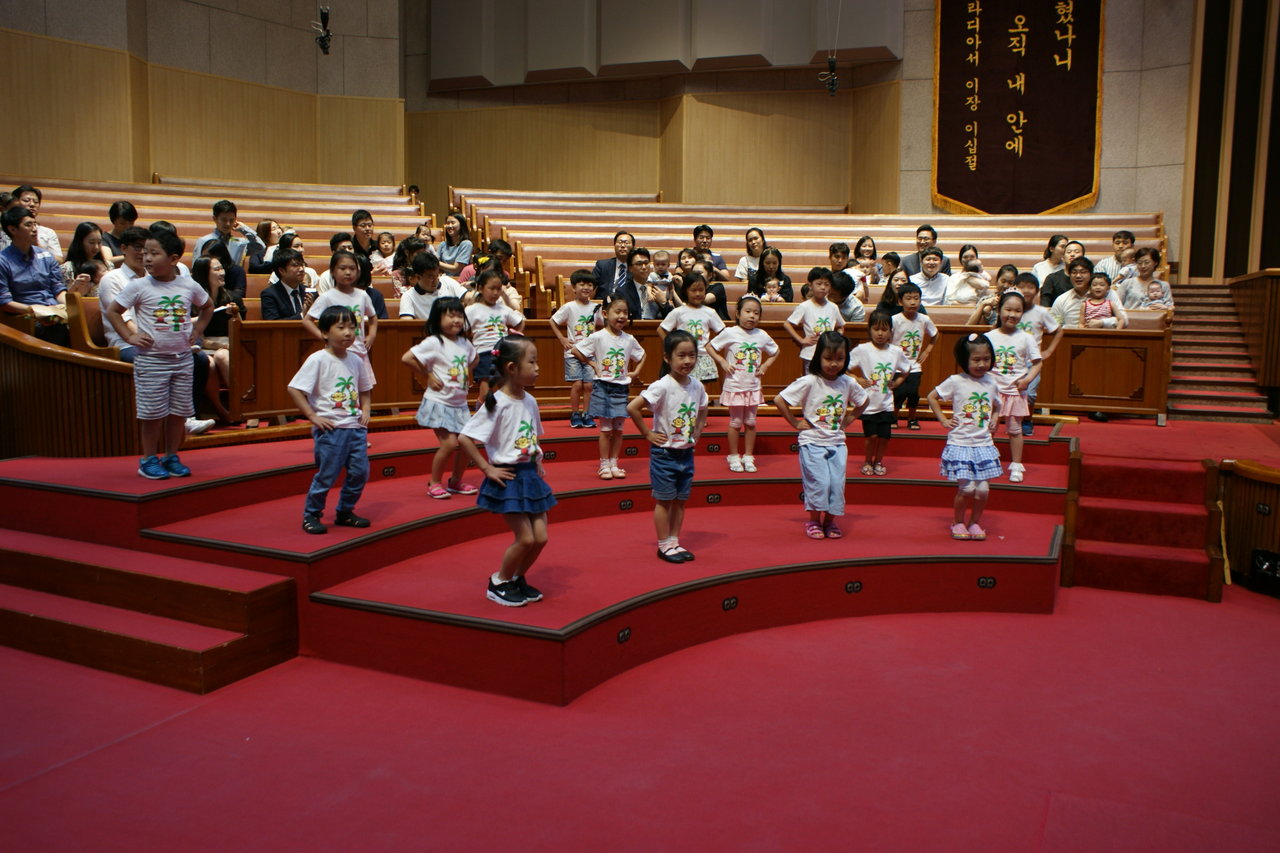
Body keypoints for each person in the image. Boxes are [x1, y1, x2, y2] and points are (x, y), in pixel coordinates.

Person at [106, 229, 214, 479]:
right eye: (145, 253)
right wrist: (129, 337)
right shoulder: (139, 286)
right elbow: (113, 311)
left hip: (182, 359)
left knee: (178, 413)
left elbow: (207, 306)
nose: (147, 258)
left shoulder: (188, 284)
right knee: (152, 414)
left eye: (154, 253)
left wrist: (198, 329)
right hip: (151, 360)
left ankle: (171, 456)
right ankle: (148, 459)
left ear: (174, 259)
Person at [458, 336, 556, 606]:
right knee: (525, 538)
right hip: (509, 478)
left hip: (530, 476)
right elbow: (465, 438)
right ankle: (499, 581)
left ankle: (516, 578)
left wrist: (538, 462)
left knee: (540, 538)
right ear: (512, 368)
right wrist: (486, 468)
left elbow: (532, 436)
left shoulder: (530, 401)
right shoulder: (496, 403)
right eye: (532, 362)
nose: (537, 367)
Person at [287, 305, 374, 535]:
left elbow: (365, 388)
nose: (348, 332)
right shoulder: (318, 359)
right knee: (327, 475)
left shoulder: (356, 360)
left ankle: (345, 511)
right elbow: (295, 388)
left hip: (355, 427)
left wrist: (366, 409)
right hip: (331, 429)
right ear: (325, 332)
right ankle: (312, 514)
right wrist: (312, 416)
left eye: (352, 328)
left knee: (360, 472)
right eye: (341, 327)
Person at [773, 331, 868, 540]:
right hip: (812, 441)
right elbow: (780, 400)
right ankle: (814, 520)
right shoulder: (810, 381)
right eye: (828, 358)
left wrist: (850, 419)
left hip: (837, 443)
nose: (834, 364)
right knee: (820, 483)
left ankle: (830, 521)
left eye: (839, 359)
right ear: (818, 357)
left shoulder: (847, 382)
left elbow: (863, 401)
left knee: (836, 485)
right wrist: (796, 422)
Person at [627, 330, 708, 563]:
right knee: (664, 500)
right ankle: (663, 545)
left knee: (680, 501)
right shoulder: (662, 385)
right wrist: (647, 433)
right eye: (681, 356)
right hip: (665, 454)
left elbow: (703, 408)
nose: (687, 361)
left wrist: (699, 429)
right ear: (667, 358)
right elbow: (633, 407)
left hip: (686, 452)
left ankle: (674, 541)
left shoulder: (697, 386)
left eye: (692, 355)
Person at [928, 333, 1002, 540]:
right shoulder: (956, 381)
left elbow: (997, 404)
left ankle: (975, 523)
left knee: (983, 491)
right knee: (967, 488)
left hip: (983, 444)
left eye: (986, 359)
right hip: (960, 443)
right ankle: (958, 521)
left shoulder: (991, 382)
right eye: (976, 360)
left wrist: (995, 418)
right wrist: (943, 420)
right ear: (964, 360)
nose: (982, 364)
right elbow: (932, 397)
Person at [402, 297, 478, 500]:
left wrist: (466, 374)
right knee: (449, 444)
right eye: (450, 316)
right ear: (437, 319)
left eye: (460, 315)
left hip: (459, 404)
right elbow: (407, 358)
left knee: (467, 444)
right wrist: (427, 374)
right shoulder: (435, 342)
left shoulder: (465, 343)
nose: (456, 320)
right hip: (439, 402)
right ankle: (435, 482)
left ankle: (456, 481)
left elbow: (475, 359)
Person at [572, 294, 645, 480]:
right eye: (617, 312)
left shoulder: (629, 339)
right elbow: (576, 350)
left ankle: (614, 463)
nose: (622, 316)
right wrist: (593, 364)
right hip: (603, 387)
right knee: (605, 430)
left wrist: (636, 372)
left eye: (625, 313)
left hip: (621, 388)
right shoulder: (598, 336)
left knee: (618, 430)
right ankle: (604, 464)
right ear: (605, 314)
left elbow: (642, 355)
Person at [709, 294, 779, 473]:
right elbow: (710, 346)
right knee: (736, 421)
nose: (752, 316)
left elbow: (775, 351)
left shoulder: (762, 335)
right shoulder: (730, 332)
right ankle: (733, 456)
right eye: (748, 311)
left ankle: (748, 456)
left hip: (753, 386)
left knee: (751, 422)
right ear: (738, 313)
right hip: (735, 386)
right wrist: (722, 362)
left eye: (756, 313)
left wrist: (765, 365)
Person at [983, 291, 1042, 483]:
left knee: (1015, 430)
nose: (1012, 314)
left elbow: (1037, 363)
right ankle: (986, 461)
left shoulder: (1026, 338)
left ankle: (1016, 465)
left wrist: (1027, 380)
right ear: (999, 310)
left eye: (1017, 311)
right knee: (988, 428)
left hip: (1015, 391)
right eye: (1008, 309)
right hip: (992, 392)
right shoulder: (988, 337)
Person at [850, 310, 911, 476]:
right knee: (871, 436)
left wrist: (896, 383)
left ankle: (878, 461)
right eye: (876, 329)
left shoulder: (896, 351)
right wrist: (857, 379)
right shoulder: (862, 349)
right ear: (869, 329)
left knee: (884, 437)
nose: (880, 333)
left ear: (891, 331)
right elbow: (845, 368)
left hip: (886, 403)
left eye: (884, 330)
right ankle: (867, 461)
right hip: (868, 403)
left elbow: (906, 370)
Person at [0, 205, 69, 345]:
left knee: (77, 319)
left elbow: (58, 288)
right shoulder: (3, 261)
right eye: (28, 225)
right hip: (26, 316)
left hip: (54, 311)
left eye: (35, 224)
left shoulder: (46, 255)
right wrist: (35, 310)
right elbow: (5, 302)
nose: (35, 229)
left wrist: (67, 305)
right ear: (12, 229)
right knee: (54, 327)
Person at [304, 250, 379, 374]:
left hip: (359, 351)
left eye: (352, 268)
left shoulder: (362, 295)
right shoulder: (327, 297)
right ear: (332, 272)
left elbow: (373, 317)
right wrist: (324, 337)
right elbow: (307, 320)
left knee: (361, 385)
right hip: (336, 353)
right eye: (342, 268)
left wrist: (372, 335)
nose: (348, 272)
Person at [191, 255, 242, 418]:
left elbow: (242, 329)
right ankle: (221, 409)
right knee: (209, 363)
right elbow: (199, 337)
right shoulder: (193, 301)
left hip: (229, 344)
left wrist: (236, 315)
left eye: (222, 268)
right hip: (204, 346)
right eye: (217, 269)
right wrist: (221, 345)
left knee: (222, 356)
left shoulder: (233, 298)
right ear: (204, 274)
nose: (222, 272)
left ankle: (242, 404)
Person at [550, 269, 602, 428]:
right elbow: (553, 321)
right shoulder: (569, 307)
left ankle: (587, 413)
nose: (586, 288)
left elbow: (603, 324)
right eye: (582, 284)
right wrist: (562, 338)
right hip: (572, 352)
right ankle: (575, 414)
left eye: (590, 285)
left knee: (589, 385)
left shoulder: (596, 307)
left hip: (590, 352)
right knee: (577, 384)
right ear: (573, 287)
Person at [465, 268, 524, 406]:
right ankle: (480, 417)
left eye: (498, 289)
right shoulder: (471, 310)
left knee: (506, 391)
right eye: (491, 288)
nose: (496, 293)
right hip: (483, 353)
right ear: (480, 288)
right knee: (486, 394)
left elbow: (520, 322)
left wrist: (515, 337)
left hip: (503, 353)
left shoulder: (503, 308)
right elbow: (461, 330)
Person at [1012, 273, 1062, 436]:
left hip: (1032, 361)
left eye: (1030, 287)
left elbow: (1058, 331)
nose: (1026, 290)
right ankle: (1011, 420)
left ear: (1037, 291)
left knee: (1030, 394)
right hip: (1011, 360)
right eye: (1022, 287)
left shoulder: (1040, 312)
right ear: (1014, 288)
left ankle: (1027, 420)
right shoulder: (1010, 309)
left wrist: (1048, 351)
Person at [658, 273, 725, 384]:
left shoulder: (710, 312)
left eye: (701, 290)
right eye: (693, 290)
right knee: (682, 385)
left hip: (702, 356)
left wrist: (710, 346)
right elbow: (661, 330)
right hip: (684, 357)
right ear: (686, 291)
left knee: (701, 389)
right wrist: (672, 347)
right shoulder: (678, 312)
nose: (697, 294)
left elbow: (723, 332)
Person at [97, 226, 149, 361]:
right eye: (137, 247)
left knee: (197, 357)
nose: (142, 252)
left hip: (154, 341)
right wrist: (153, 340)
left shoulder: (154, 278)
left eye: (146, 248)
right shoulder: (112, 278)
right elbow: (124, 320)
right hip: (126, 344)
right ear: (123, 248)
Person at [891, 281, 937, 430]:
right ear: (900, 301)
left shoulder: (924, 319)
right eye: (908, 298)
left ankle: (912, 419)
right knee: (898, 394)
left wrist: (927, 350)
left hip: (915, 366)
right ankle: (893, 418)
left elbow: (935, 335)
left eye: (916, 298)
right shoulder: (894, 320)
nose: (913, 302)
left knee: (912, 393)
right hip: (896, 366)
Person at [785, 267, 845, 373]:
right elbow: (787, 324)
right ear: (810, 285)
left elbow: (841, 326)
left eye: (827, 284)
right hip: (810, 353)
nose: (823, 287)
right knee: (811, 379)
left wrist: (836, 339)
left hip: (829, 354)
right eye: (819, 284)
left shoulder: (833, 307)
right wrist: (801, 340)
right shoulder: (804, 306)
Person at [1051, 258, 1127, 329]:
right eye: (1074, 272)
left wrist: (1103, 322)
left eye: (1083, 272)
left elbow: (1125, 321)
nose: (1078, 276)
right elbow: (1053, 325)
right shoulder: (1062, 300)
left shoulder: (1108, 294)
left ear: (1091, 275)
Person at [193, 200, 264, 267]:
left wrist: (244, 229)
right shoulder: (204, 241)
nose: (228, 224)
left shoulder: (240, 243)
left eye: (231, 220)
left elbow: (261, 246)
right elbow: (197, 268)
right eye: (224, 220)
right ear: (215, 219)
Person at [398, 251, 465, 319]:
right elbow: (407, 322)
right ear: (418, 277)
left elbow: (468, 298)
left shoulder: (448, 281)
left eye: (437, 275)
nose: (436, 280)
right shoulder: (408, 296)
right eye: (431, 277)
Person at [10, 185, 63, 261]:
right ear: (14, 203)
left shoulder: (48, 233)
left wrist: (37, 245)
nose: (32, 204)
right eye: (26, 201)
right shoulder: (6, 230)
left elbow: (59, 261)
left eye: (36, 202)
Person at [260, 248, 313, 321]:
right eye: (295, 265)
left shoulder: (310, 292)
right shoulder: (270, 295)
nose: (301, 269)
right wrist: (302, 315)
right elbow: (272, 323)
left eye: (302, 265)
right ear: (282, 270)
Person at [59, 221, 111, 293]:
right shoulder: (67, 268)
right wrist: (75, 287)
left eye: (99, 242)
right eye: (91, 243)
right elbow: (65, 297)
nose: (96, 247)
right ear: (80, 243)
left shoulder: (108, 265)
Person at [1039, 240, 1086, 306]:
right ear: (1063, 257)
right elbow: (1044, 306)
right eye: (1069, 252)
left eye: (1077, 252)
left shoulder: (1089, 278)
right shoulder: (1051, 279)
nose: (1072, 254)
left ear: (1083, 257)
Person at [592, 230, 635, 298]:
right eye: (620, 242)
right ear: (614, 245)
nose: (623, 246)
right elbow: (590, 284)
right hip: (605, 302)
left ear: (633, 247)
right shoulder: (602, 265)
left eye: (626, 243)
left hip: (628, 303)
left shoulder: (636, 267)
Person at [102, 201, 138, 265]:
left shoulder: (137, 237)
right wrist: (131, 255)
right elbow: (108, 261)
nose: (127, 227)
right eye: (122, 223)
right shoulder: (105, 238)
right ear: (113, 221)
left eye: (131, 223)